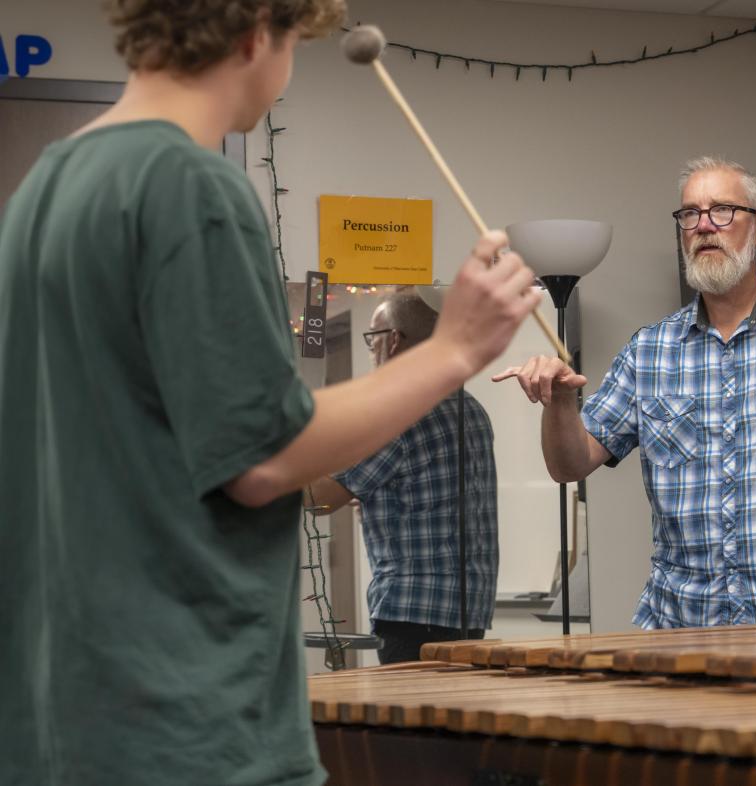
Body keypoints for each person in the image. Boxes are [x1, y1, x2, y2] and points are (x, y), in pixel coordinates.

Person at [0, 2, 539, 784]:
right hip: (184, 718)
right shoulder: (189, 186)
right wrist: (456, 347)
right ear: (256, 33)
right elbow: (262, 456)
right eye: (292, 45)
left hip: (62, 714)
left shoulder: (40, 193)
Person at [494, 156, 756, 631]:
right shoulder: (649, 350)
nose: (705, 225)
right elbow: (569, 464)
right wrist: (559, 404)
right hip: (683, 632)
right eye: (691, 214)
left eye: (722, 211)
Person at [307, 290, 499, 664]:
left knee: (412, 721)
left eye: (371, 339)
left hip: (412, 610)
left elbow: (319, 499)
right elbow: (433, 496)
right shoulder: (469, 407)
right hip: (469, 610)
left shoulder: (398, 412)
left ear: (392, 340)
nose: (370, 351)